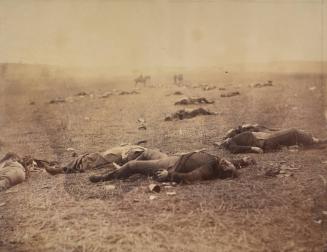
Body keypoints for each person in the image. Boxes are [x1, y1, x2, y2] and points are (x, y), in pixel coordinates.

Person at [89, 150, 255, 184]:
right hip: (174, 157)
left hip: (171, 165)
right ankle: (129, 170)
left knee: (133, 164)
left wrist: (168, 176)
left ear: (221, 172)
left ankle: (106, 177)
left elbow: (190, 177)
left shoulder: (209, 169)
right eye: (229, 163)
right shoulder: (221, 162)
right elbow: (232, 164)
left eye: (226, 167)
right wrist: (244, 160)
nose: (227, 163)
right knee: (148, 152)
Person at [44, 145, 168, 175]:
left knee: (92, 159)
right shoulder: (163, 160)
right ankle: (63, 168)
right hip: (132, 151)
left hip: (129, 153)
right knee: (93, 158)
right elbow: (142, 156)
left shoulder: (162, 162)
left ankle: (61, 169)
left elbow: (136, 164)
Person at [217, 125, 326, 154]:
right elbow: (235, 149)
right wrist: (253, 148)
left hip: (264, 136)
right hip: (264, 140)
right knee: (293, 131)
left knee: (291, 134)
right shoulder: (230, 143)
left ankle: (312, 142)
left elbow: (237, 130)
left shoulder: (235, 137)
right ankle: (316, 141)